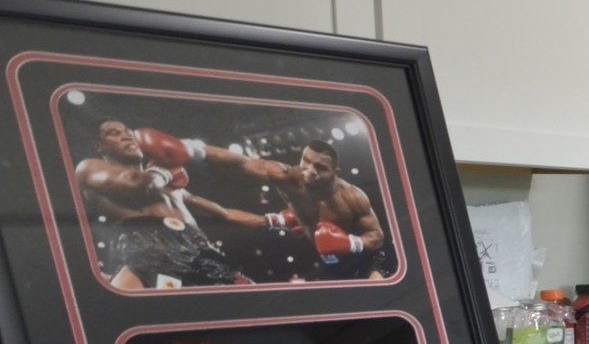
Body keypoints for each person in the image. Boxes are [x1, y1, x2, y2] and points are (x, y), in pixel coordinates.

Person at [75, 120, 279, 289]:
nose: (127, 136)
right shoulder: (90, 167)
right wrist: (166, 168)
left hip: (202, 251)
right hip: (150, 250)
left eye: (129, 132)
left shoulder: (165, 181)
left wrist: (277, 220)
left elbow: (224, 214)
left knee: (250, 302)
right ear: (98, 145)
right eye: (114, 133)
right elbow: (137, 184)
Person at [193, 137, 391, 279]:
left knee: (379, 294)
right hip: (326, 262)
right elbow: (243, 164)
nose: (310, 171)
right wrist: (195, 150)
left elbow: (377, 236)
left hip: (363, 258)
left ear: (334, 172)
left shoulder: (351, 196)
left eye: (321, 168)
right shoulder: (288, 178)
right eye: (307, 161)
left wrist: (349, 243)